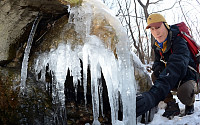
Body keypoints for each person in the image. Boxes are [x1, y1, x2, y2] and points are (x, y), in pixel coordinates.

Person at [136, 13, 198, 119]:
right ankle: (171, 104)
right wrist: (158, 68)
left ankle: (189, 104)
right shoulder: (157, 47)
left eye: (158, 27)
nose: (156, 32)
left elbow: (176, 66)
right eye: (152, 29)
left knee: (184, 92)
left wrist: (154, 95)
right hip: (172, 77)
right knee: (155, 75)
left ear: (166, 25)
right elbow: (157, 63)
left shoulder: (179, 42)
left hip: (189, 77)